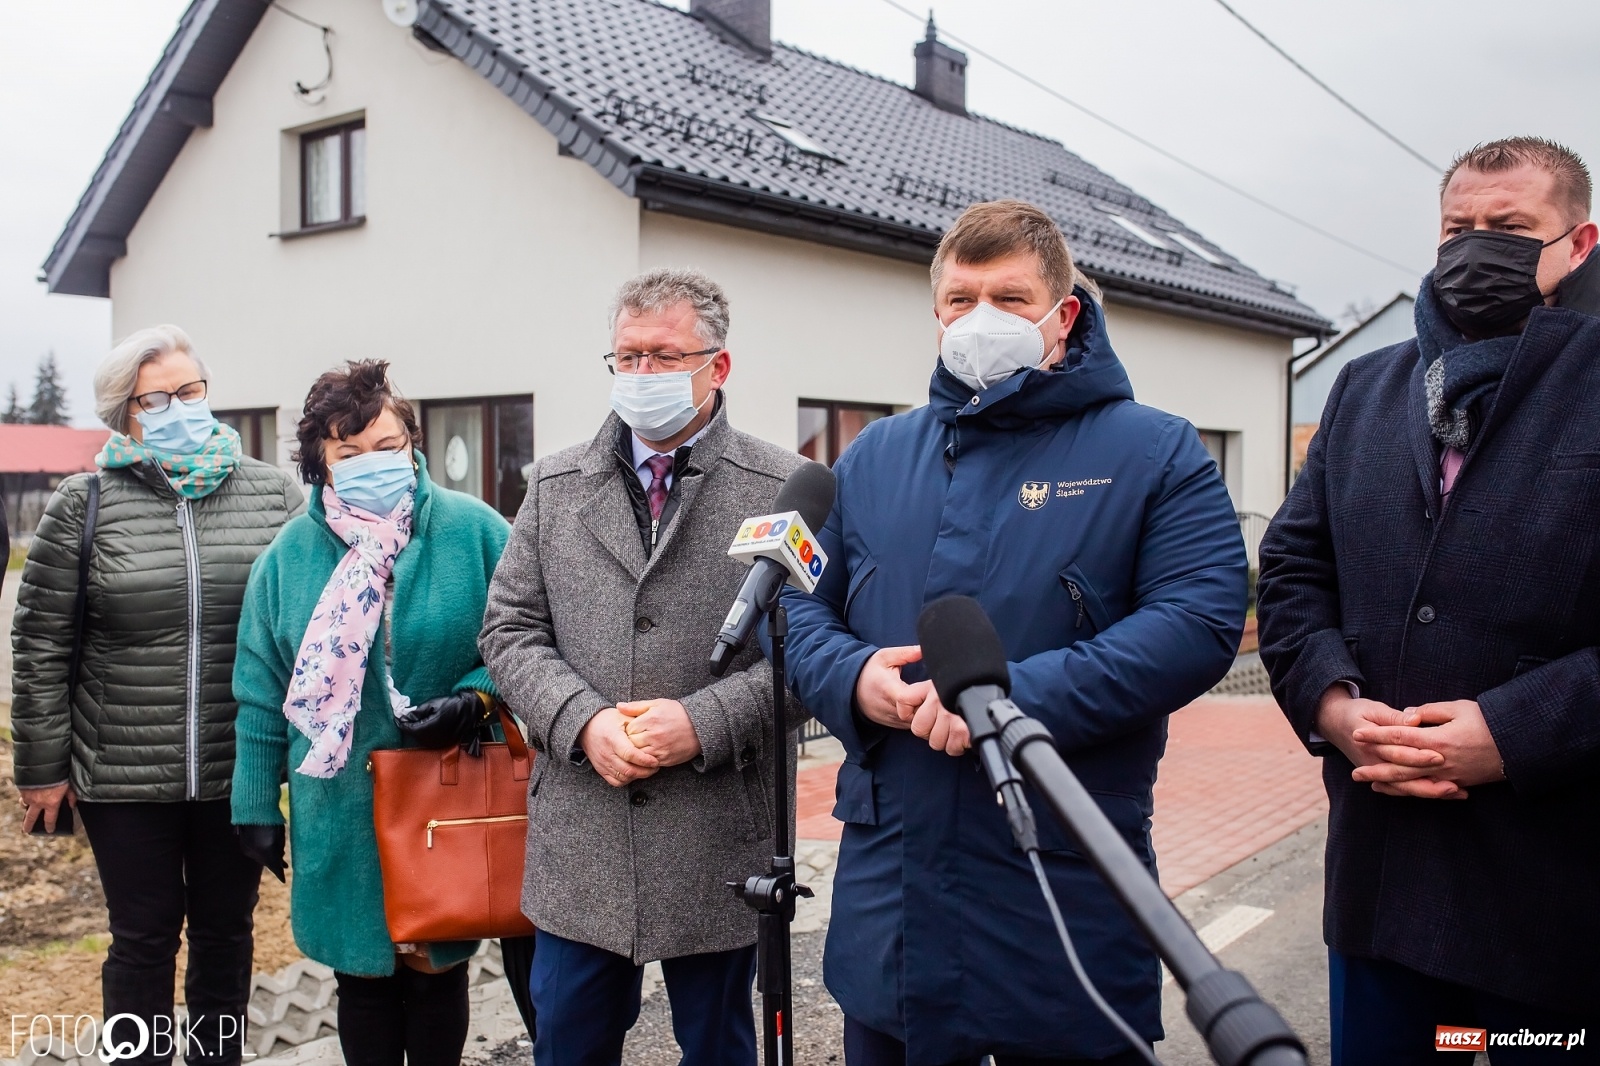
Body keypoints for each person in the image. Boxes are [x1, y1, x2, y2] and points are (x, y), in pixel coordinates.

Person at [780, 200, 1246, 1065]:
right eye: (961, 300)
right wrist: (852, 679)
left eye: (1009, 298)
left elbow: (1197, 621)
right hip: (894, 895)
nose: (980, 319)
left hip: (1062, 883)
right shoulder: (873, 456)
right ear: (936, 314)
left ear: (1062, 316)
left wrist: (1004, 701)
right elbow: (798, 606)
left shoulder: (1156, 451)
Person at [1257, 136, 1600, 1063]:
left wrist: (1514, 732)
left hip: (1557, 896)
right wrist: (1332, 703)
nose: (1477, 246)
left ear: (1579, 243)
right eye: (1459, 228)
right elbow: (1292, 570)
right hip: (1383, 881)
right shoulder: (1368, 387)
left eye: (1510, 226)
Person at [478, 268, 805, 1065]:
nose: (641, 374)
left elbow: (810, 653)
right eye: (627, 357)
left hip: (719, 832)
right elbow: (509, 630)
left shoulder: (781, 487)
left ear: (717, 366)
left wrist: (702, 722)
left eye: (663, 356)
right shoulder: (555, 486)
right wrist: (582, 721)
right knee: (568, 1044)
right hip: (582, 834)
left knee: (720, 1046)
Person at [10, 325, 303, 1066]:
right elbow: (41, 644)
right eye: (157, 400)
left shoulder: (273, 494)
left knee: (225, 934)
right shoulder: (83, 504)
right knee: (141, 939)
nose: (180, 407)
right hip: (122, 774)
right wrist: (41, 769)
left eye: (190, 391)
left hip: (237, 767)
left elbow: (309, 625)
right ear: (126, 414)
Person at [230, 360, 511, 1066]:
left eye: (387, 446)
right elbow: (260, 690)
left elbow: (526, 640)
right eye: (349, 451)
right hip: (341, 804)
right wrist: (255, 804)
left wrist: (473, 696)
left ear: (413, 444)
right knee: (362, 980)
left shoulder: (475, 531)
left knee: (435, 970)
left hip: (443, 795)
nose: (373, 463)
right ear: (319, 462)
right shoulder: (286, 559)